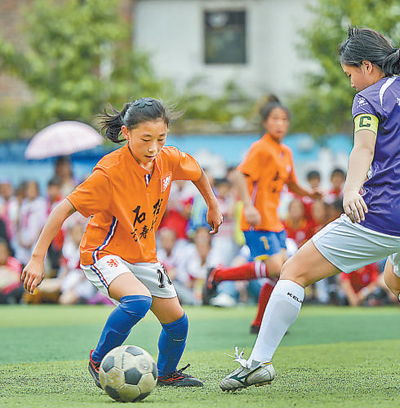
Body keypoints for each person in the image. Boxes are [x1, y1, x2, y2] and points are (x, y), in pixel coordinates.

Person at [219, 27, 400, 391]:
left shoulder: (370, 97)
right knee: (393, 280)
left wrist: (351, 190)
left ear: (367, 66)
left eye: (349, 74)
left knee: (293, 270)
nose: (350, 83)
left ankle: (258, 363)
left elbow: (363, 149)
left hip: (383, 213)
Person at [21, 97, 223, 389]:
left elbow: (197, 172)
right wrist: (37, 258)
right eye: (146, 139)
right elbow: (63, 208)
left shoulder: (168, 158)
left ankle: (166, 372)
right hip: (104, 253)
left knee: (178, 323)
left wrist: (212, 205)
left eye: (161, 138)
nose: (154, 147)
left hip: (143, 255)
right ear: (127, 133)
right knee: (138, 301)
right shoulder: (109, 172)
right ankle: (98, 359)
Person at [203, 96, 320, 333]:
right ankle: (219, 275)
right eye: (275, 119)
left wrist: (311, 193)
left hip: (274, 221)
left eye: (284, 119)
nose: (280, 123)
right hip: (256, 220)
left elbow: (292, 183)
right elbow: (239, 176)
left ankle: (259, 323)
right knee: (277, 268)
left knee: (281, 272)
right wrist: (248, 206)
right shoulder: (261, 148)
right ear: (266, 123)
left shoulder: (285, 152)